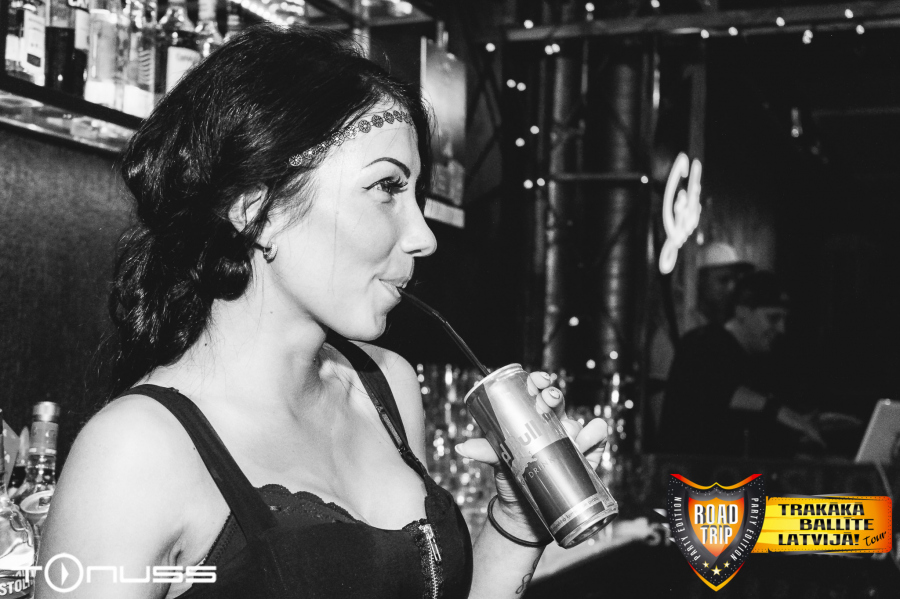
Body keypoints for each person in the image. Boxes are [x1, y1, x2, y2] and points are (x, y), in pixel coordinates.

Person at [37, 26, 607, 599]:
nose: (423, 236)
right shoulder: (135, 451)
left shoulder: (386, 388)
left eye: (416, 195)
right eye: (386, 187)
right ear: (256, 208)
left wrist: (516, 521)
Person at [658, 271, 823, 457]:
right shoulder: (703, 343)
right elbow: (718, 389)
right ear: (742, 311)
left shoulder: (760, 361)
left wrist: (802, 425)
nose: (781, 329)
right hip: (691, 474)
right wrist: (778, 411)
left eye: (784, 320)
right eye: (773, 318)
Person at [647, 242, 753, 441]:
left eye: (735, 281)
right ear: (700, 282)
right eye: (723, 280)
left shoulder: (729, 333)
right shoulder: (676, 331)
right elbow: (661, 401)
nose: (732, 289)